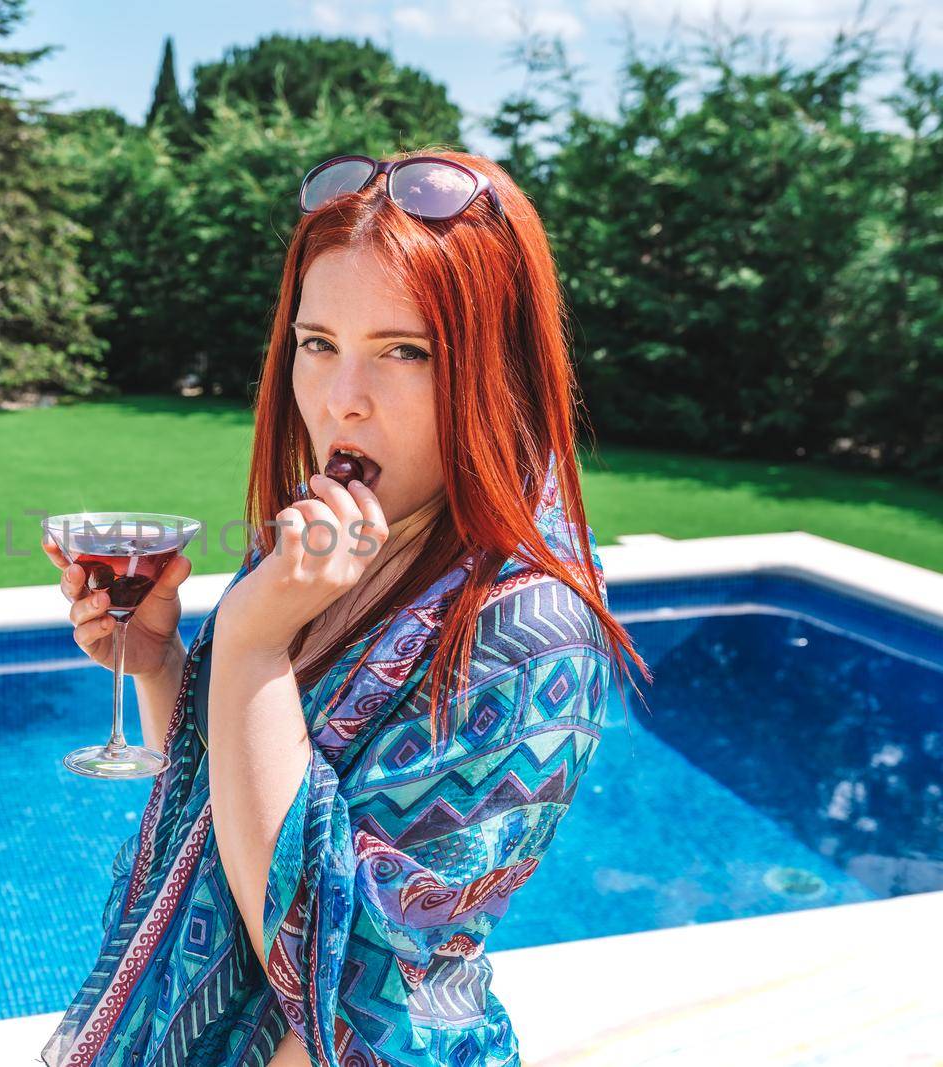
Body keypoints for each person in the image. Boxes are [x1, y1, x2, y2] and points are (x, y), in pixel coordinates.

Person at [39, 149, 651, 1067]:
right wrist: (167, 666)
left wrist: (248, 641)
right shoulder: (323, 540)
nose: (341, 401)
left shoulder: (532, 630)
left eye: (404, 351)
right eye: (317, 343)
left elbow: (344, 997)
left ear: (502, 368)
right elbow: (232, 803)